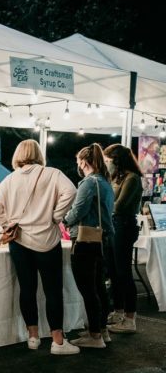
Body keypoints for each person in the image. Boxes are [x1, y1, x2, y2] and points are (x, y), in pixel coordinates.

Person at [0, 139, 79, 355]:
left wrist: (8, 225)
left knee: (27, 289)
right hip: (48, 241)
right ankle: (57, 341)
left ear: (18, 155)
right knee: (52, 291)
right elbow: (71, 192)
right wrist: (56, 216)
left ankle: (33, 337)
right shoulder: (53, 174)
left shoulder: (10, 180)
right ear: (39, 154)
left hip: (19, 243)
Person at [63, 144, 115, 348]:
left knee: (88, 288)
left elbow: (79, 210)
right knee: (99, 286)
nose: (78, 165)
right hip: (101, 240)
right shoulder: (104, 181)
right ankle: (101, 330)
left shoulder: (89, 182)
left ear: (84, 162)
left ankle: (94, 336)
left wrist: (63, 219)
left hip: (86, 240)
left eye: (78, 161)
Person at [103, 144, 144, 334]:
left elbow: (117, 206)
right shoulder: (115, 178)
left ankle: (130, 317)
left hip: (124, 226)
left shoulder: (132, 179)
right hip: (113, 226)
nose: (106, 163)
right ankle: (118, 311)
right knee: (112, 270)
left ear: (117, 160)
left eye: (108, 160)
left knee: (123, 272)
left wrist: (103, 204)